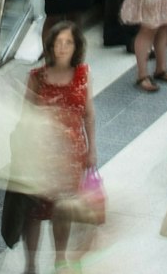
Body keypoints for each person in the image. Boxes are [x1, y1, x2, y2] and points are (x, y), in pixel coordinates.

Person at [21, 21, 97, 273]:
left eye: (68, 42)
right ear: (50, 46)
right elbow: (25, 116)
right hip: (40, 154)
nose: (62, 48)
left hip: (71, 155)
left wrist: (92, 149)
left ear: (76, 46)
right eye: (58, 42)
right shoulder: (37, 77)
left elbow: (88, 114)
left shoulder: (83, 74)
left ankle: (60, 258)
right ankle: (30, 264)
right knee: (33, 211)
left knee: (62, 209)